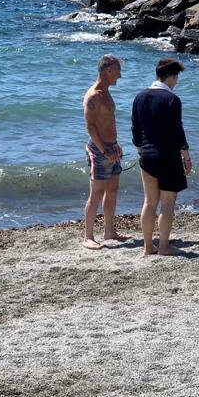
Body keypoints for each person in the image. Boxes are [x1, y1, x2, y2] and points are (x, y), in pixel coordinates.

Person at [132, 58, 193, 256]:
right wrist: (186, 155)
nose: (176, 82)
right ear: (172, 76)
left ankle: (148, 246)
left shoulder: (139, 97)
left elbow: (135, 129)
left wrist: (141, 149)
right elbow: (177, 131)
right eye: (177, 77)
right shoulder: (172, 99)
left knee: (149, 202)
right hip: (168, 156)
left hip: (147, 155)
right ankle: (164, 246)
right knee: (167, 203)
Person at [82, 54, 128, 250]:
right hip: (99, 150)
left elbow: (108, 122)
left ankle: (110, 231)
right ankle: (88, 236)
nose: (120, 75)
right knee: (97, 193)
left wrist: (115, 146)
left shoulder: (106, 92)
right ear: (108, 71)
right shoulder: (93, 95)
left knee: (113, 189)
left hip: (111, 147)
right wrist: (104, 150)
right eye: (118, 71)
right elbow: (90, 127)